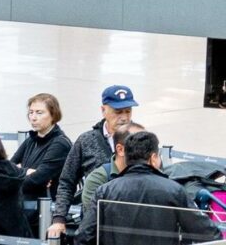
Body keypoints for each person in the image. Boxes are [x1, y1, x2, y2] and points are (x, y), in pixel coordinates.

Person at [76, 129, 215, 245]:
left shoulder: (104, 191)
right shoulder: (174, 191)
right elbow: (208, 233)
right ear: (153, 158)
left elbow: (83, 236)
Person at [58, 88, 136, 216]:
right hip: (94, 221)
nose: (124, 117)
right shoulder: (86, 140)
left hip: (132, 219)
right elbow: (67, 182)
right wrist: (59, 218)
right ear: (103, 110)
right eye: (118, 112)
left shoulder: (141, 139)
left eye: (128, 111)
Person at [13, 93, 72, 224]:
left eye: (39, 113)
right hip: (23, 208)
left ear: (53, 115)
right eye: (31, 112)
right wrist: (27, 172)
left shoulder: (59, 143)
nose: (33, 118)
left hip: (43, 214)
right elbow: (7, 167)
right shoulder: (31, 140)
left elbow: (36, 180)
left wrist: (19, 172)